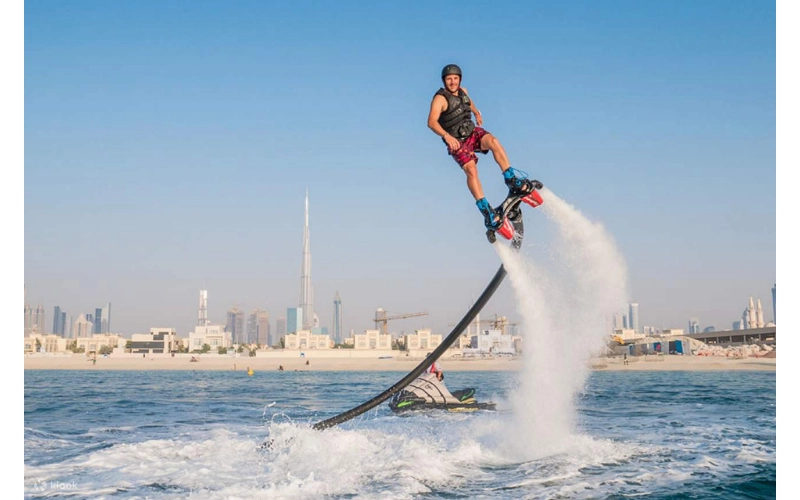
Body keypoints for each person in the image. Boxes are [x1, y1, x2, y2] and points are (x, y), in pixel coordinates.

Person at [427, 64, 540, 230]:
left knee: (493, 142)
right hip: (457, 141)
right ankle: (486, 210)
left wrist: (476, 112)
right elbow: (431, 122)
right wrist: (447, 136)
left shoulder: (463, 90)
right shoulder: (440, 99)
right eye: (449, 79)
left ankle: (511, 179)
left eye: (455, 78)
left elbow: (468, 102)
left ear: (460, 79)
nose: (452, 82)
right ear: (444, 81)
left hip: (471, 132)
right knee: (471, 170)